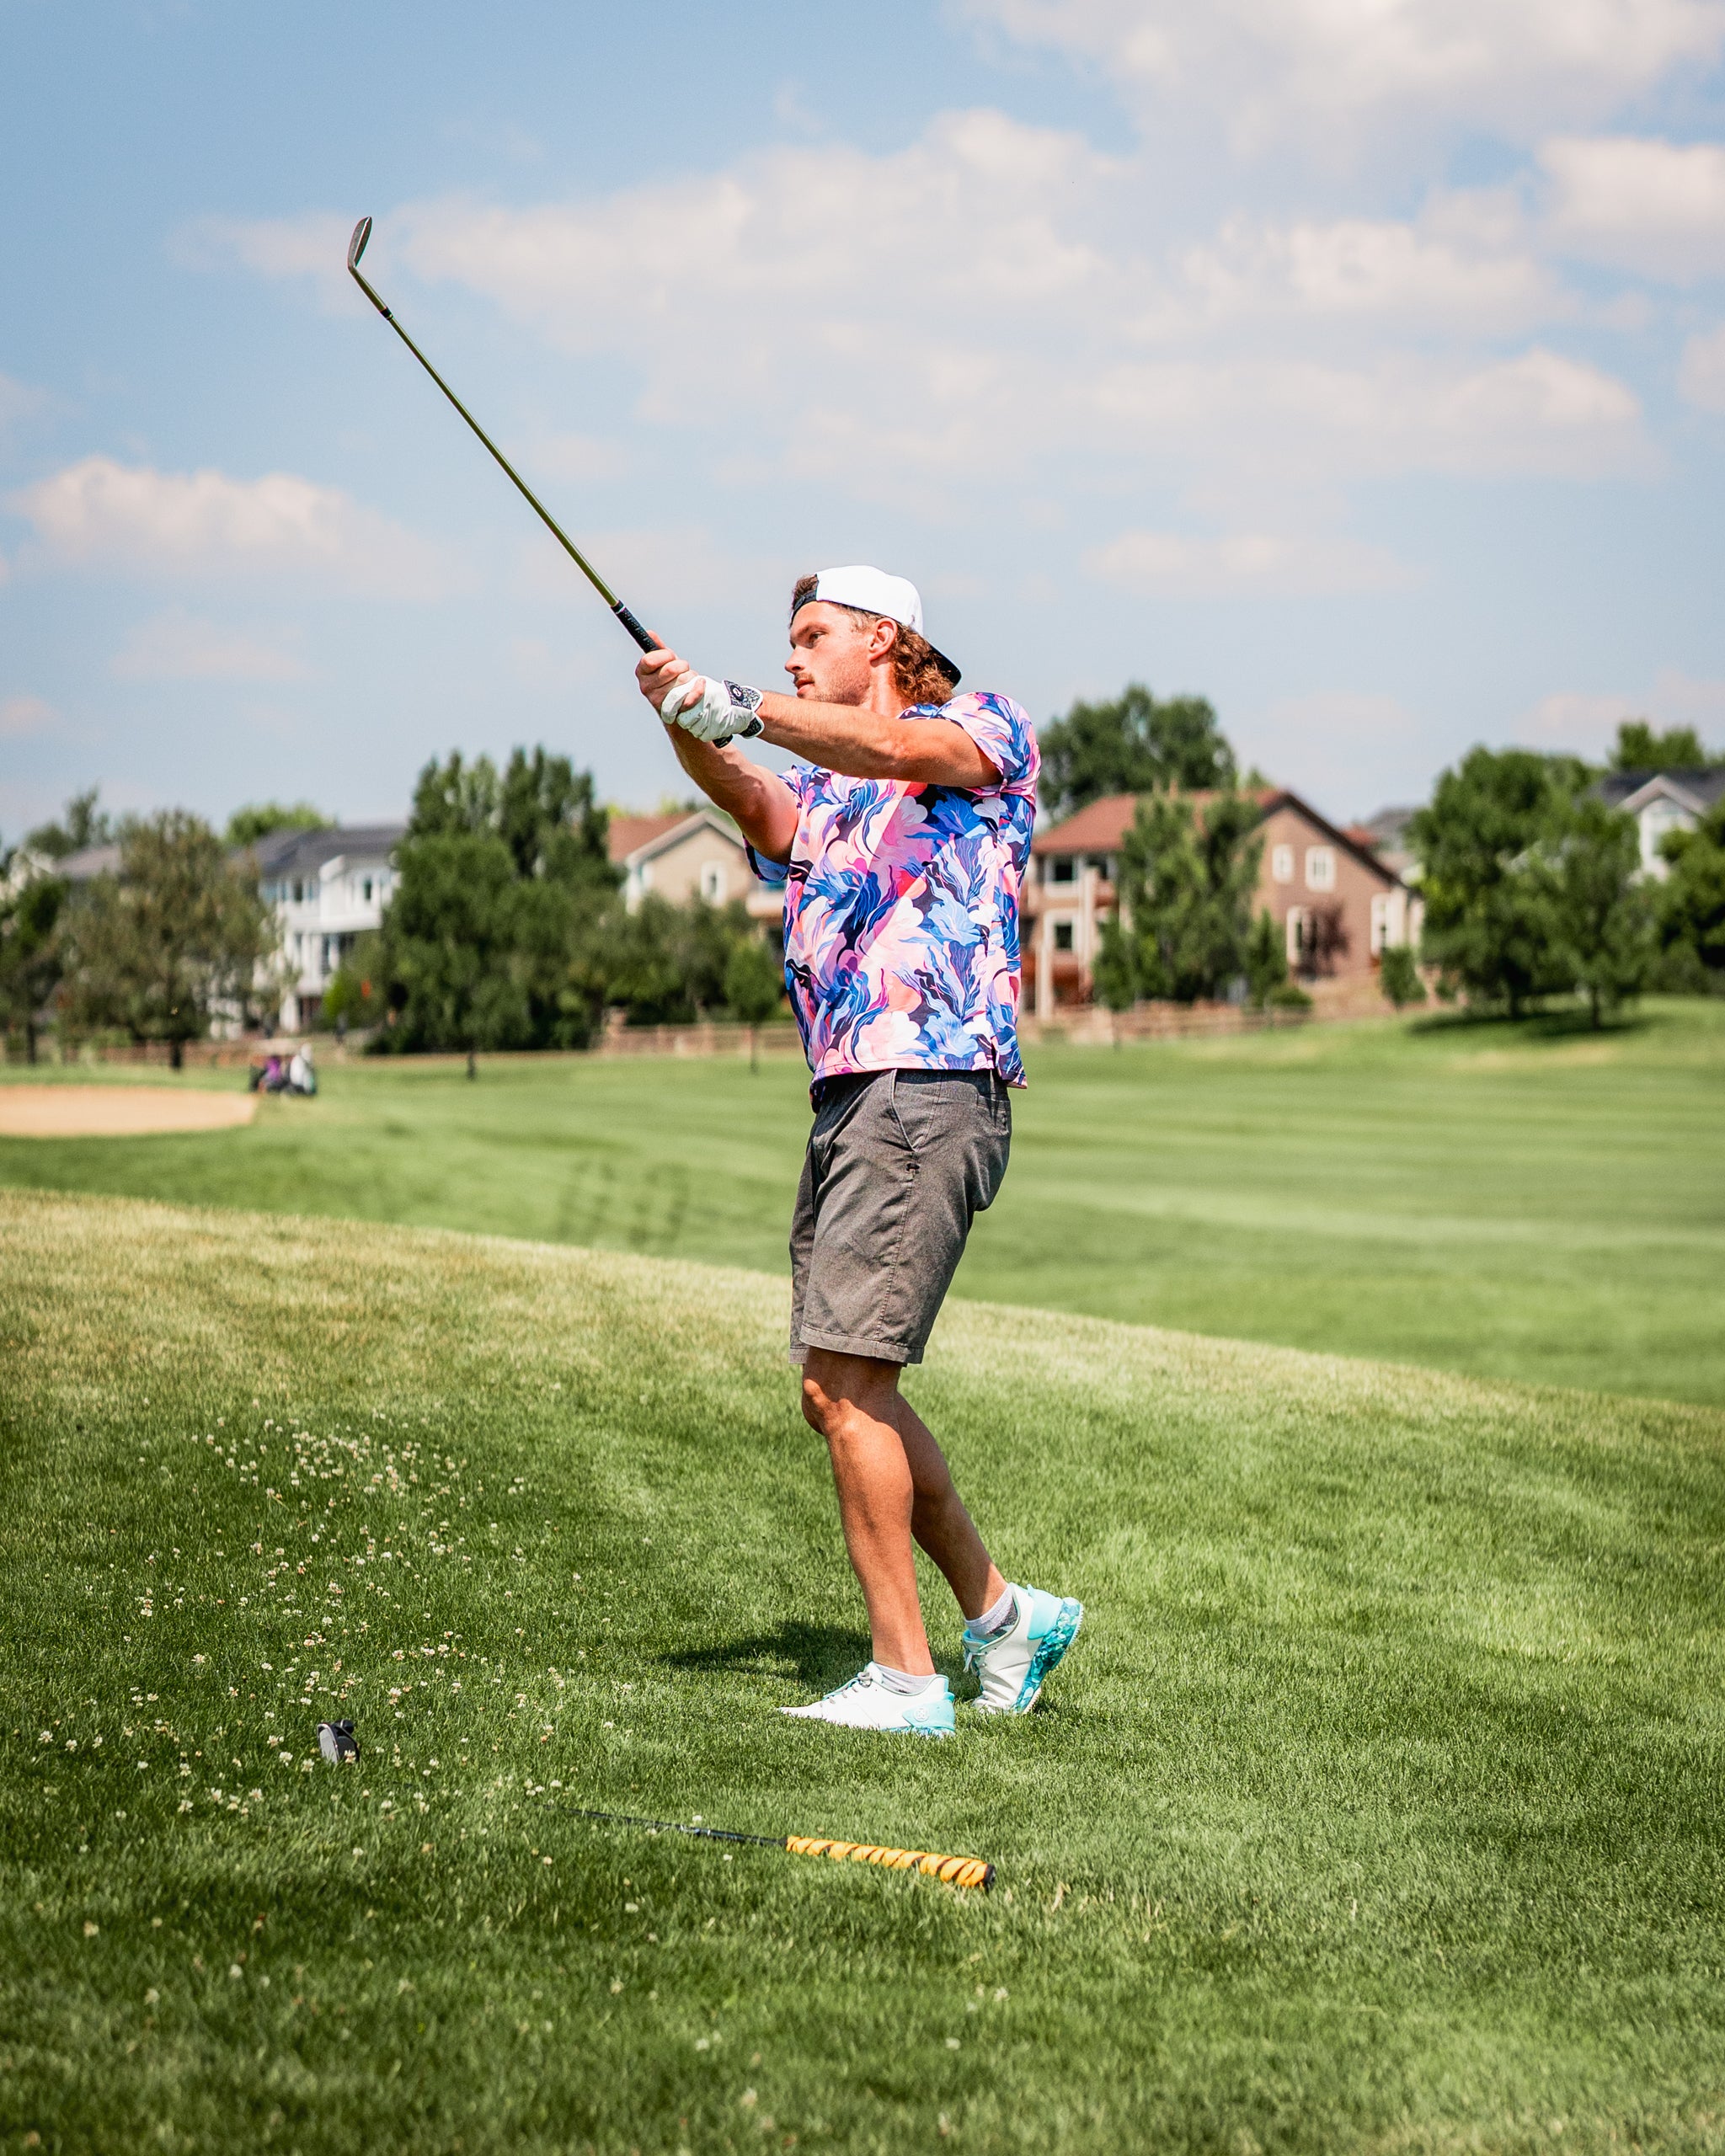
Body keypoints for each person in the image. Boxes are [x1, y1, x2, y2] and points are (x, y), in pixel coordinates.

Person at [635, 565, 1083, 1737]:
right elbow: (760, 809)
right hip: (850, 1096)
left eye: (812, 636)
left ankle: (907, 1680)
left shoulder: (980, 728)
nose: (791, 657)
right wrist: (690, 723)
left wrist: (747, 705)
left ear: (885, 637)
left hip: (924, 1083)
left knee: (847, 1386)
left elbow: (893, 753)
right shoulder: (829, 795)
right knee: (840, 1389)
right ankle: (1004, 1620)